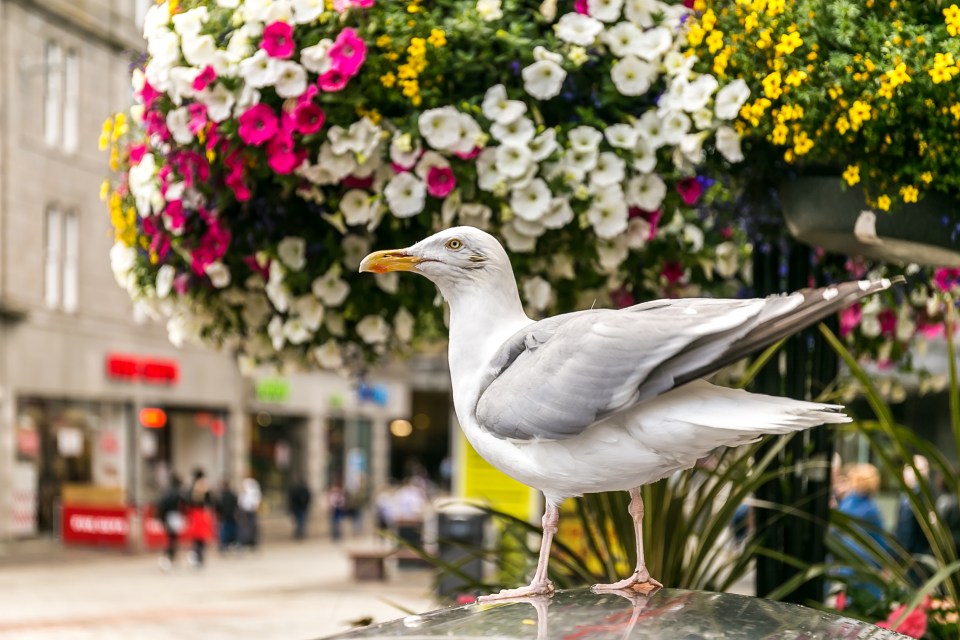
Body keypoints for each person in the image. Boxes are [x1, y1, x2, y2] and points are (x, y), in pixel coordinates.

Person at [833, 463, 892, 604]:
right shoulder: (871, 510)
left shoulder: (846, 503)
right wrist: (886, 565)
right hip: (867, 566)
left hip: (847, 564)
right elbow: (880, 541)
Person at [155, 473, 187, 571]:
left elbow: (160, 505)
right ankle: (168, 557)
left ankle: (171, 557)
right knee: (173, 539)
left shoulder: (167, 491)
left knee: (172, 538)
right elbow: (184, 504)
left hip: (169, 516)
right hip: (174, 516)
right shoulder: (178, 493)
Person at [185, 468, 215, 567]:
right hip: (202, 514)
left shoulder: (193, 487)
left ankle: (197, 555)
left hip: (195, 514)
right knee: (201, 537)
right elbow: (211, 501)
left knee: (196, 537)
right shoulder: (205, 487)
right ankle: (199, 555)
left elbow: (188, 500)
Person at [238, 476, 262, 550]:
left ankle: (251, 541)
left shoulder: (251, 492)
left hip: (250, 511)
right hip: (247, 511)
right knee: (248, 526)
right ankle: (247, 541)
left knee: (251, 526)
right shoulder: (249, 492)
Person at [215, 479, 239, 552]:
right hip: (231, 516)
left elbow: (218, 506)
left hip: (225, 516)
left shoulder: (222, 496)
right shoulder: (232, 495)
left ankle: (225, 545)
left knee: (225, 531)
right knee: (230, 530)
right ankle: (231, 543)